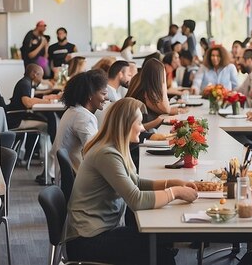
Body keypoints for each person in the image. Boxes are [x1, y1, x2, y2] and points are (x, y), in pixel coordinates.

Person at [64, 97, 198, 265]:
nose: (143, 128)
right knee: (160, 254)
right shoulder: (107, 154)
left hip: (97, 232)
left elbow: (136, 182)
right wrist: (176, 192)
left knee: (159, 246)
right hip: (87, 241)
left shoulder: (114, 148)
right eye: (140, 123)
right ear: (126, 125)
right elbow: (136, 200)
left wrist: (172, 183)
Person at [49, 70, 107, 177]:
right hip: (79, 181)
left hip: (66, 178)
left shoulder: (72, 111)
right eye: (103, 94)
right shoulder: (83, 117)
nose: (106, 98)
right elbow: (95, 152)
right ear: (90, 94)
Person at [126, 58, 181, 132]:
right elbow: (166, 109)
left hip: (141, 130)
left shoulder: (142, 84)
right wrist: (163, 84)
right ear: (158, 76)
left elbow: (162, 110)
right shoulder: (148, 93)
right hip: (140, 133)